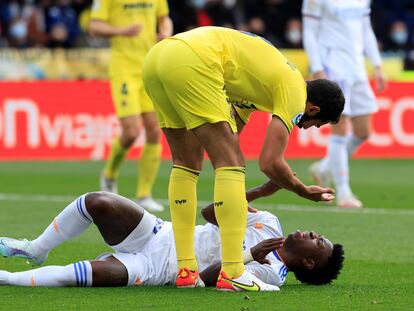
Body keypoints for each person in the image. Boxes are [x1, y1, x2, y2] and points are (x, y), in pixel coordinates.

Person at [141, 26, 345, 291]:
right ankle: (233, 272)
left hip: (159, 57)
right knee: (232, 163)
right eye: (315, 124)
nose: (305, 128)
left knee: (187, 162)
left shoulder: (262, 85)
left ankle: (187, 270)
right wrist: (302, 190)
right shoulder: (295, 92)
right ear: (313, 109)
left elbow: (231, 130)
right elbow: (269, 162)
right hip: (195, 61)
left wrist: (240, 193)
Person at [0, 188, 344, 290]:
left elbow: (210, 280)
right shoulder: (270, 223)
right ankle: (36, 249)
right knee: (97, 201)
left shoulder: (272, 275)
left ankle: (7, 279)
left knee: (82, 276)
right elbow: (211, 213)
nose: (312, 233)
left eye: (318, 241)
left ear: (308, 262)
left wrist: (250, 256)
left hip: (158, 268)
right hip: (161, 233)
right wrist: (259, 191)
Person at [88, 0, 173, 212]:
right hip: (124, 69)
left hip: (150, 66)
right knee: (131, 131)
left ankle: (144, 194)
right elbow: (94, 26)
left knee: (155, 129)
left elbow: (164, 18)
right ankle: (109, 175)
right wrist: (122, 30)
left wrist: (165, 33)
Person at [302, 0, 387, 208]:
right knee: (339, 127)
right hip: (333, 66)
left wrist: (377, 64)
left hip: (356, 67)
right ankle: (343, 192)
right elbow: (309, 32)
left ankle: (323, 169)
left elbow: (366, 30)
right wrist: (317, 67)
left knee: (363, 132)